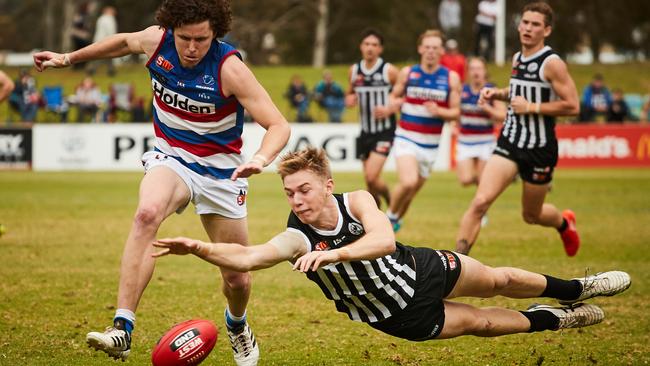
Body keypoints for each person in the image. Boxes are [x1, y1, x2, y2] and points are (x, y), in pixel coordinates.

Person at [152, 147, 631, 344]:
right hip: (396, 313)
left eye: (304, 189)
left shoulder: (357, 199)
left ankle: (577, 286)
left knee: (500, 279)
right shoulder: (297, 236)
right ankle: (559, 318)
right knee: (483, 320)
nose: (296, 199)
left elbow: (383, 241)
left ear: (326, 184)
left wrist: (334, 253)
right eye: (289, 193)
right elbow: (249, 257)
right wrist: (199, 248)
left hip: (419, 267)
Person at [33, 0, 291, 364]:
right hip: (172, 157)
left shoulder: (230, 68)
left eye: (200, 39)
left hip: (222, 173)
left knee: (238, 279)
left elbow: (279, 124)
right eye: (184, 38)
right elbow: (122, 42)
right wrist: (68, 58)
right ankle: (122, 328)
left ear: (215, 33)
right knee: (146, 214)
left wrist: (261, 160)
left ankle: (237, 325)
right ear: (172, 30)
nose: (191, 48)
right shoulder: (157, 42)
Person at [455, 2, 581, 257]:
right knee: (480, 202)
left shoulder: (552, 63)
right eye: (525, 22)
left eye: (535, 25)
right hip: (510, 141)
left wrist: (532, 107)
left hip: (539, 148)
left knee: (531, 215)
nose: (527, 28)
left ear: (546, 31)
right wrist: (497, 93)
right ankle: (455, 266)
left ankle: (564, 223)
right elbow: (518, 92)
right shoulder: (517, 58)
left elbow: (572, 105)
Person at [375, 29, 461, 232]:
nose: (431, 51)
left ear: (441, 51)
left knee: (411, 193)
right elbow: (393, 97)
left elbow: (456, 113)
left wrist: (439, 110)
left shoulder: (450, 78)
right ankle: (388, 220)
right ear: (420, 48)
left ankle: (393, 222)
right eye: (427, 47)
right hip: (406, 137)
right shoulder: (408, 73)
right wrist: (393, 105)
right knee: (408, 181)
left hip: (430, 145)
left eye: (435, 48)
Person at [346, 29, 399, 208]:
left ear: (380, 49)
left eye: (374, 45)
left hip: (385, 131)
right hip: (365, 131)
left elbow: (407, 96)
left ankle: (391, 200)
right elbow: (350, 94)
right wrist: (350, 100)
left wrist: (390, 109)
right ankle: (378, 217)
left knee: (371, 176)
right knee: (370, 185)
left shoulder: (389, 71)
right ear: (361, 47)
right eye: (367, 44)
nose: (370, 48)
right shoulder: (354, 71)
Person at [455, 57, 506, 188]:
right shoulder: (462, 90)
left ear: (484, 71)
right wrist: (454, 124)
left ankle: (482, 207)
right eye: (472, 69)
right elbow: (456, 112)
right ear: (468, 72)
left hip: (485, 141)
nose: (475, 72)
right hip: (465, 141)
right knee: (465, 180)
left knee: (483, 181)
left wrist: (487, 108)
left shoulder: (492, 91)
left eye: (479, 68)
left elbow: (503, 115)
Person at [88, 6, 118, 76]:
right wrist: (114, 40)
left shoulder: (101, 18)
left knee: (104, 55)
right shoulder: (109, 19)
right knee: (106, 55)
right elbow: (110, 30)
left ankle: (110, 70)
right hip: (107, 40)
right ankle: (92, 69)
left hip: (98, 40)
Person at [70, 2, 92, 70]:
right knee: (78, 50)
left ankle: (81, 66)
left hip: (83, 36)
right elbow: (76, 23)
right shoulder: (80, 14)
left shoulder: (87, 15)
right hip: (78, 35)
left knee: (84, 50)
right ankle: (76, 66)